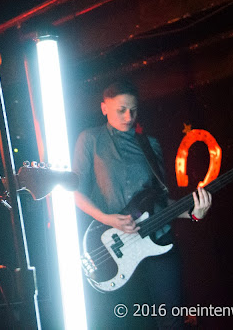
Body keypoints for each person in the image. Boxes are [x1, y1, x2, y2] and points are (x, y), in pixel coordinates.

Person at [72, 80, 212, 329]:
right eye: (121, 110)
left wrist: (194, 213)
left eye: (133, 110)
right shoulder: (89, 140)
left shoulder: (150, 144)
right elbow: (76, 193)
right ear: (104, 108)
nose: (129, 116)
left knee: (171, 322)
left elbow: (160, 201)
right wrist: (107, 218)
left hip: (158, 242)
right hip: (114, 246)